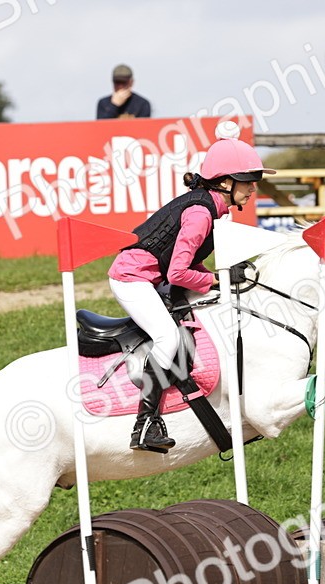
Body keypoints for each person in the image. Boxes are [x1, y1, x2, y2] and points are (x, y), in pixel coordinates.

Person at [107, 125, 271, 453]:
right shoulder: (200, 214)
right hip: (131, 280)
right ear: (226, 182)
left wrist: (216, 277)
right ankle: (145, 424)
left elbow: (188, 264)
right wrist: (218, 279)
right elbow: (178, 272)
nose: (254, 187)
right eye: (249, 179)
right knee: (167, 336)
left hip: (148, 278)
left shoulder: (209, 208)